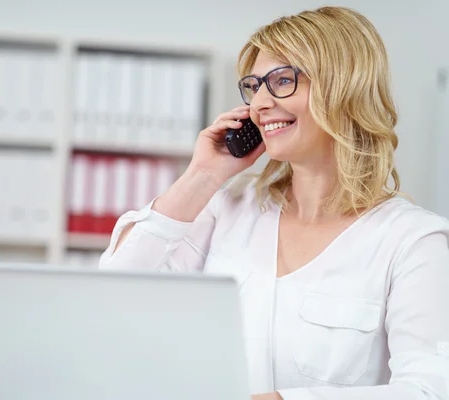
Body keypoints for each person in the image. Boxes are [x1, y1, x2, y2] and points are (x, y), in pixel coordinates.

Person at [98, 5, 449, 400]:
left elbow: (428, 390)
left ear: (343, 88)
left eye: (282, 81)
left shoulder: (413, 241)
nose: (260, 103)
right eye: (254, 85)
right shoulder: (227, 209)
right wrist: (202, 176)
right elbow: (111, 295)